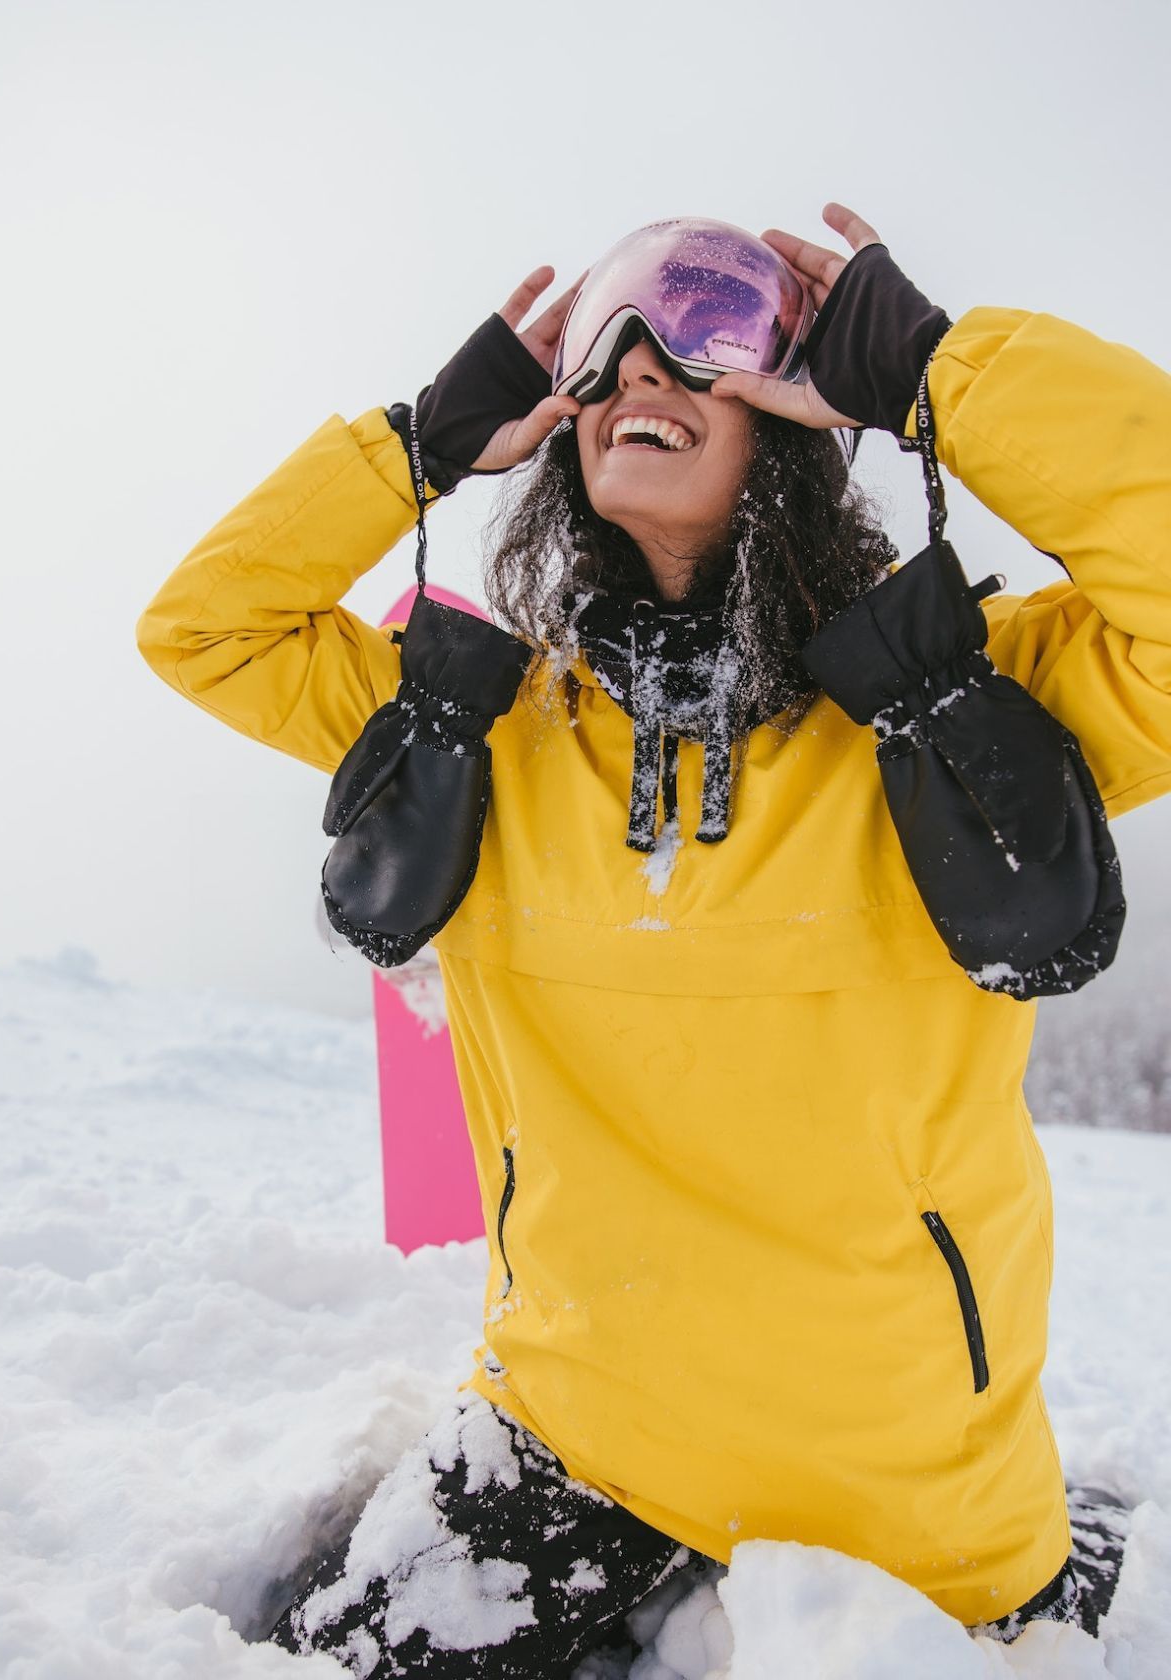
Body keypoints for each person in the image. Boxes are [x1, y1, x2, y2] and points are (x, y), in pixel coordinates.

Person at [135, 204, 1169, 1674]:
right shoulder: (486, 731)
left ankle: (1081, 1528)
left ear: (795, 418)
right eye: (610, 347)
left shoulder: (958, 718)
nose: (640, 370)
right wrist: (416, 449)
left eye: (710, 335)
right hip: (574, 1429)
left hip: (905, 1482)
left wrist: (946, 373)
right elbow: (207, 628)